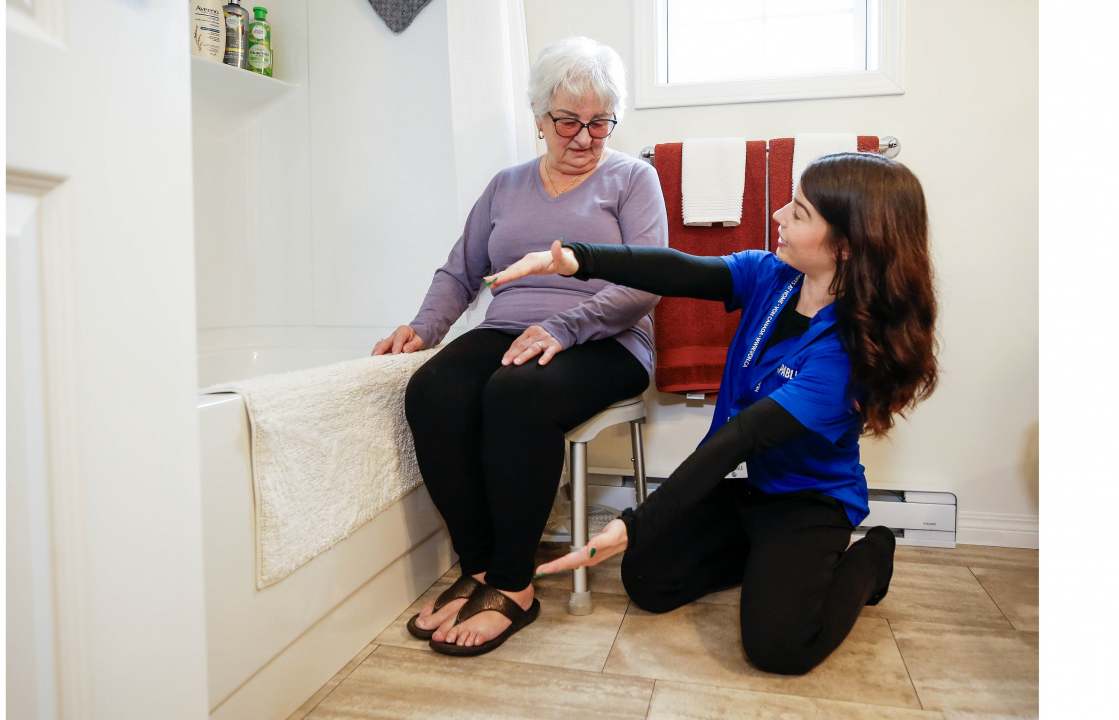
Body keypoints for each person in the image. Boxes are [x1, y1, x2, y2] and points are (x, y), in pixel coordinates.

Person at [490, 151, 939, 674]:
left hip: (807, 499)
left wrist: (635, 522)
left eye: (798, 212)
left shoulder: (843, 356)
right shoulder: (773, 277)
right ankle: (763, 559)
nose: (778, 217)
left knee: (779, 648)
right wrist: (576, 259)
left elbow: (741, 437)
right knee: (647, 581)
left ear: (845, 245)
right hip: (746, 489)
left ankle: (872, 559)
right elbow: (681, 270)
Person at [371, 36, 667, 656]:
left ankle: (515, 584)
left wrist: (563, 328)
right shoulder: (506, 186)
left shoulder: (633, 178)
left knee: (517, 395)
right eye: (567, 122)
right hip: (508, 328)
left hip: (608, 339)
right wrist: (424, 327)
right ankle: (478, 567)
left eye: (599, 123)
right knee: (433, 390)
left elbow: (646, 284)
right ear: (538, 118)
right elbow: (461, 270)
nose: (584, 138)